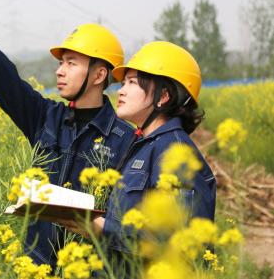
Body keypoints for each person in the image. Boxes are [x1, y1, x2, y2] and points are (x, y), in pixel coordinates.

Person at [0, 0, 134, 268]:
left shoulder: (126, 141)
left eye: (71, 63)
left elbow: (129, 222)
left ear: (99, 75)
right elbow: (6, 82)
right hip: (37, 266)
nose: (59, 71)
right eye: (60, 63)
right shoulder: (46, 118)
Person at [76, 41, 216, 276]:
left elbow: (175, 244)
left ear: (163, 96)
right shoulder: (143, 146)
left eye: (132, 82)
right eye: (122, 83)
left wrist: (100, 227)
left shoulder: (176, 155)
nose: (121, 90)